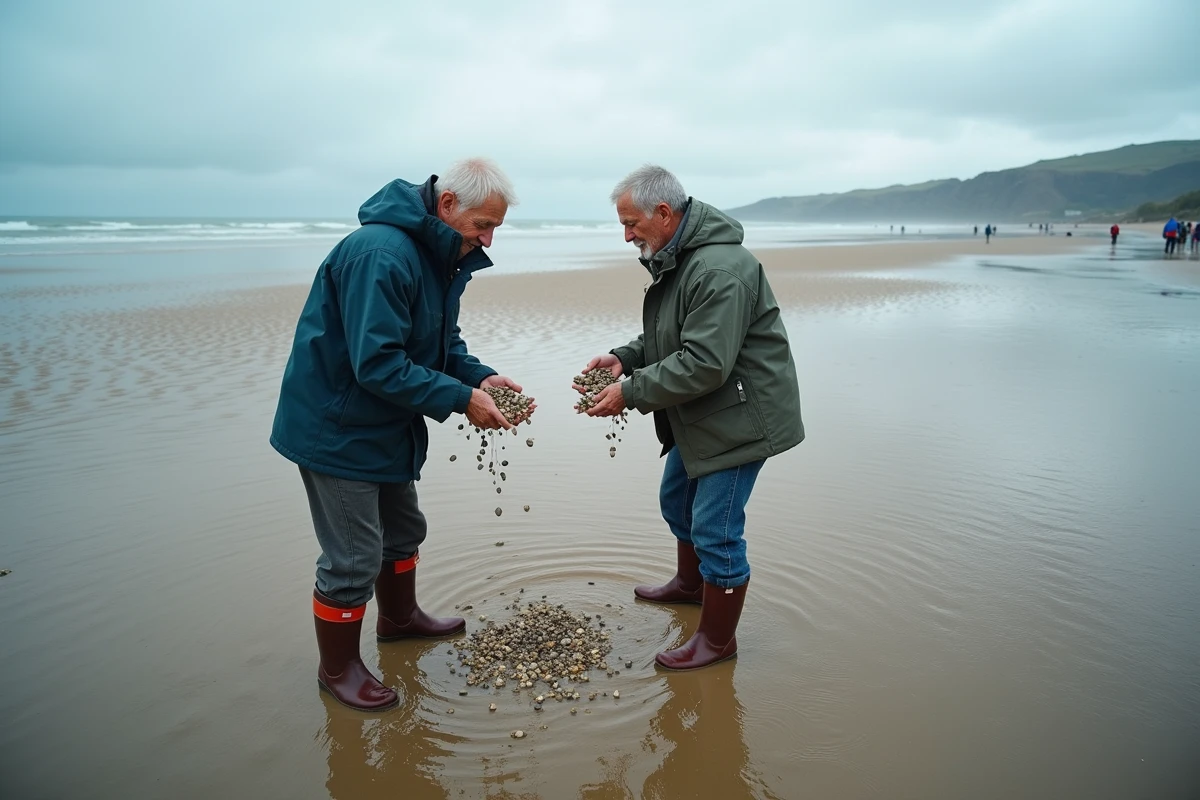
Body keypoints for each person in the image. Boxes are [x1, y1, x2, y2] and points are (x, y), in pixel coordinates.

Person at [270, 158, 532, 711]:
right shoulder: (383, 254)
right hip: (336, 426)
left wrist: (480, 377)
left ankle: (398, 618)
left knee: (403, 527)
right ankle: (337, 667)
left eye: (495, 229)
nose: (487, 239)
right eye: (483, 225)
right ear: (446, 205)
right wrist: (463, 401)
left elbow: (440, 345)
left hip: (384, 420)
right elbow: (378, 364)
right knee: (352, 557)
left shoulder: (441, 254)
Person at [578, 165, 804, 671]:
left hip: (741, 416)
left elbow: (704, 362)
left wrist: (628, 391)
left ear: (664, 213)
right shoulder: (678, 258)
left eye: (631, 222)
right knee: (676, 498)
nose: (627, 234)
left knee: (716, 530)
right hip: (706, 410)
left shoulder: (720, 268)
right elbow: (674, 338)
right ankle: (690, 585)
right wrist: (624, 359)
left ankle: (718, 641)